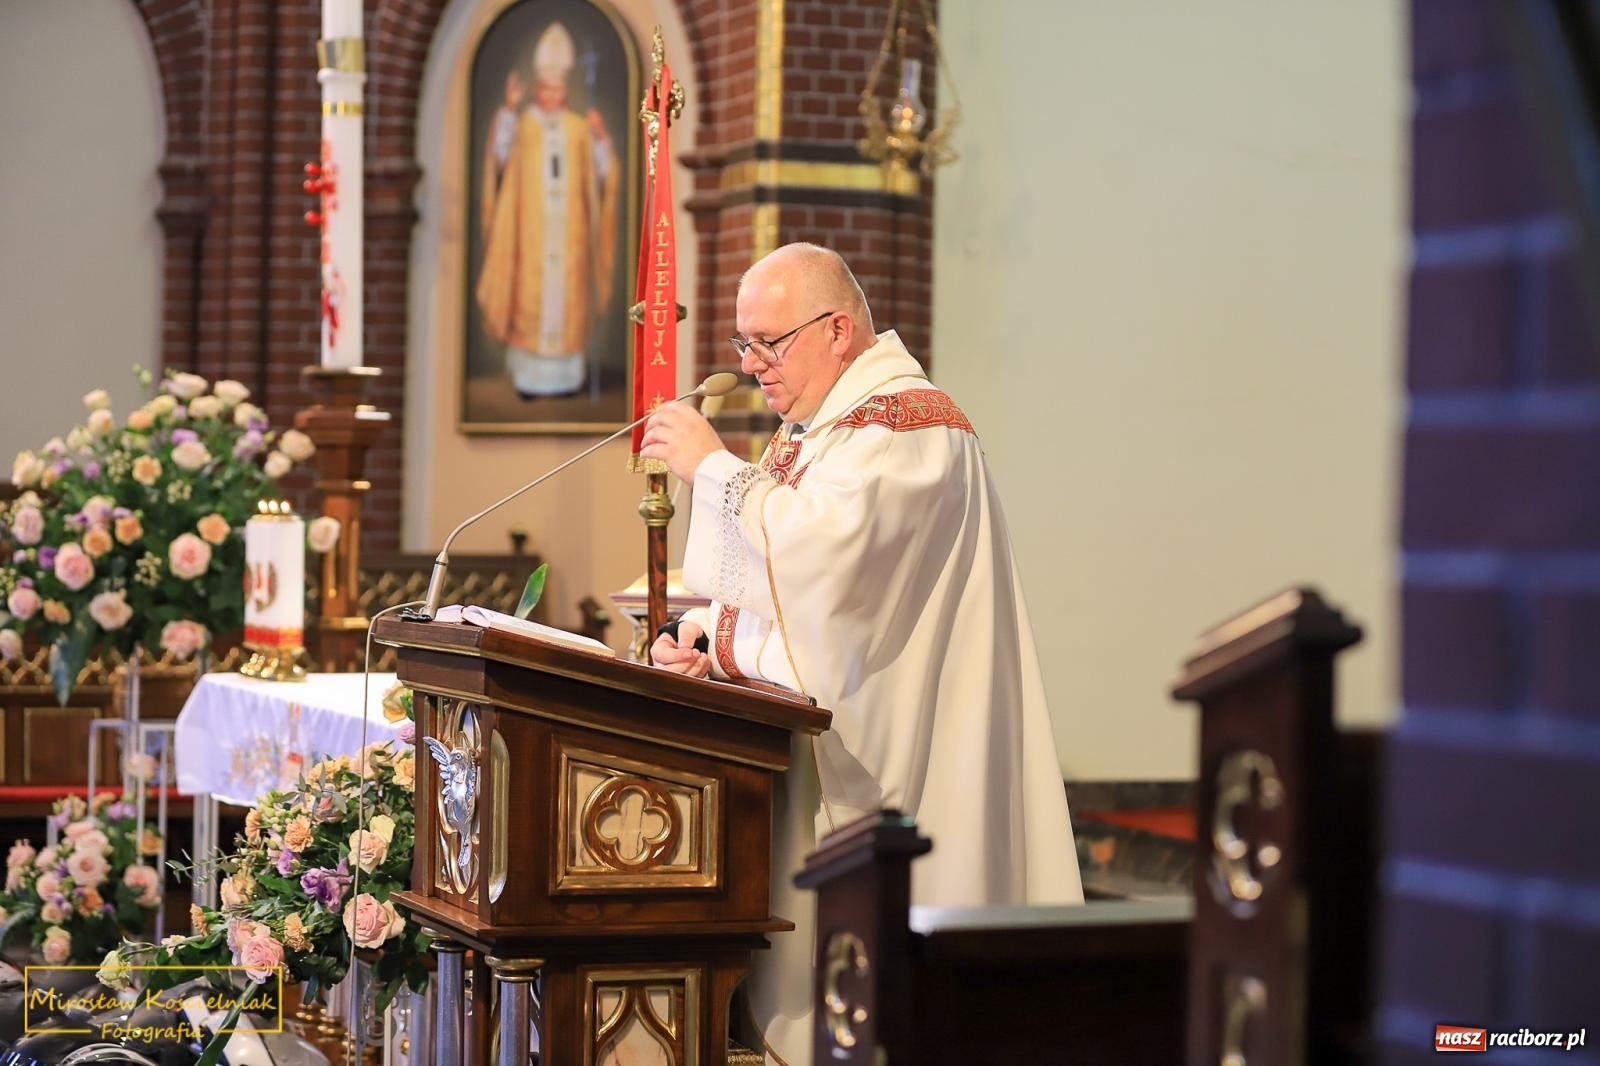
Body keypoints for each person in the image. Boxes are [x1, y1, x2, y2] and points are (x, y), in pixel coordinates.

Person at [640, 242, 1083, 1066]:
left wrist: (713, 468)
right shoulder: (824, 430)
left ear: (839, 329)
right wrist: (711, 638)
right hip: (826, 757)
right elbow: (796, 588)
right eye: (743, 344)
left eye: (769, 342)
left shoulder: (907, 427)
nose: (752, 365)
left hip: (903, 769)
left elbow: (829, 570)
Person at [475, 21, 619, 398]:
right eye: (546, 88)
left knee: (567, 299)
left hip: (569, 233)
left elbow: (603, 176)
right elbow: (500, 161)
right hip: (532, 233)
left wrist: (601, 138)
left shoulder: (577, 128)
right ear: (536, 89)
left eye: (558, 89)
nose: (553, 95)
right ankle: (528, 379)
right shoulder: (523, 124)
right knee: (531, 295)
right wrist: (506, 111)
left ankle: (567, 378)